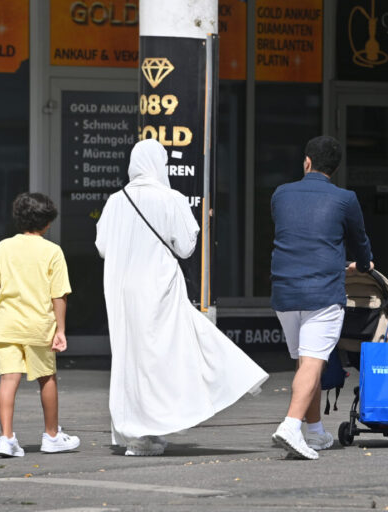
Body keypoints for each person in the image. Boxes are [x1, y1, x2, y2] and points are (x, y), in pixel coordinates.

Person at [95, 139, 268, 457]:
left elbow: (103, 247)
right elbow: (186, 248)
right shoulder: (170, 198)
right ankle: (156, 424)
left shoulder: (116, 200)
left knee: (131, 358)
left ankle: (141, 429)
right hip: (159, 287)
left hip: (122, 290)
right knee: (168, 353)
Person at [270, 135, 373, 460]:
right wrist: (364, 265)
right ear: (336, 168)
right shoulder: (345, 198)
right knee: (313, 361)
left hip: (284, 291)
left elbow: (296, 233)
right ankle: (291, 425)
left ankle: (314, 432)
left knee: (306, 361)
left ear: (307, 162)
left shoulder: (281, 194)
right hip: (323, 291)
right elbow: (359, 240)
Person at [0, 193, 80, 457]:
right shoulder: (52, 251)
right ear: (48, 223)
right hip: (38, 325)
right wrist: (61, 330)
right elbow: (59, 294)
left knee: (8, 379)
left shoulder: (4, 247)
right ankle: (51, 435)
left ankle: (6, 438)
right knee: (47, 378)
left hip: (6, 324)